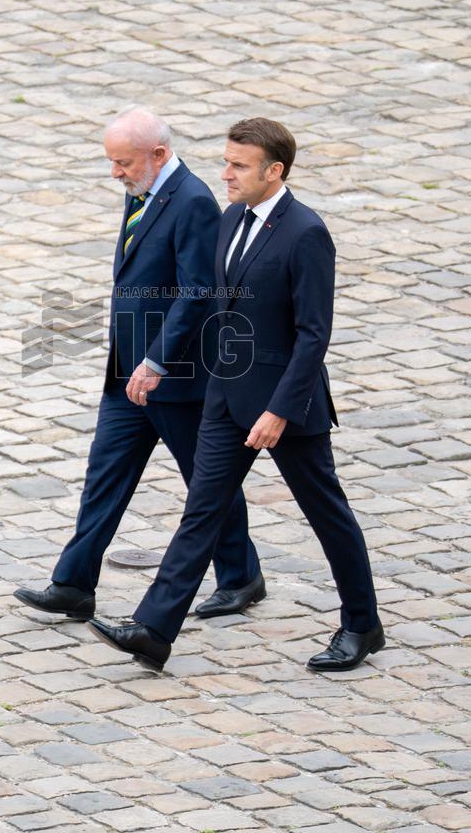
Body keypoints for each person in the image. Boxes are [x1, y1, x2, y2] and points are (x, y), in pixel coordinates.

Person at [88, 117, 384, 673]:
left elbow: (313, 335)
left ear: (274, 171)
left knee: (328, 514)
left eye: (238, 165)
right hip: (224, 399)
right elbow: (210, 305)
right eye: (225, 161)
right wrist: (164, 365)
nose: (224, 173)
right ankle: (154, 629)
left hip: (285, 408)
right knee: (201, 512)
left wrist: (279, 410)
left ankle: (363, 625)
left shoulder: (306, 233)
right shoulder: (229, 219)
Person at [14, 107, 263, 623]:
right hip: (126, 372)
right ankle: (73, 584)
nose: (116, 173)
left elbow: (198, 292)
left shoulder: (192, 201)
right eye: (113, 162)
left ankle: (241, 577)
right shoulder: (144, 191)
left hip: (175, 378)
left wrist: (156, 361)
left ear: (158, 154)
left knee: (206, 480)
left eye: (123, 163)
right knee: (104, 476)